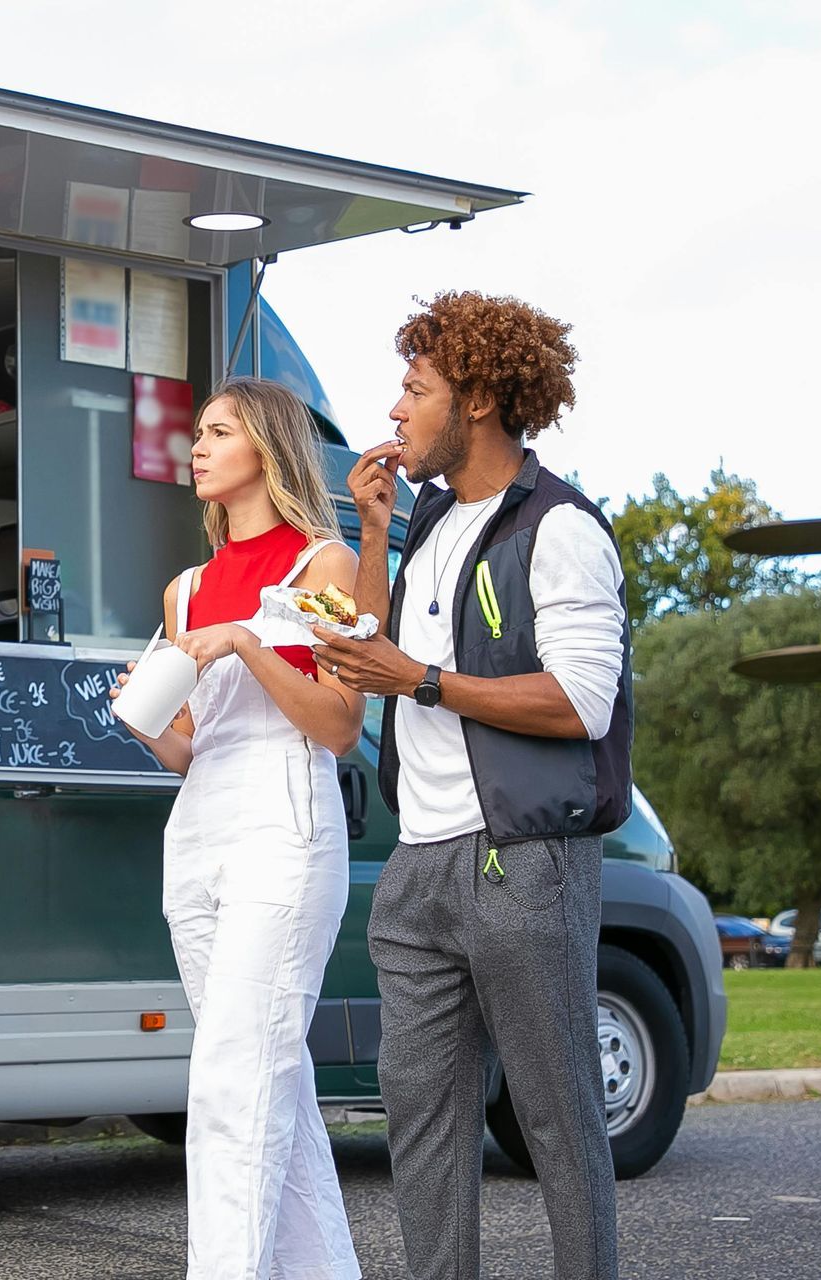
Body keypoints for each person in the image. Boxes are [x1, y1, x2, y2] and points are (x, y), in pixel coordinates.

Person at [313, 291, 629, 1280]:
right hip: (420, 870)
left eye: (416, 389)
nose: (396, 411)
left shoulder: (561, 525)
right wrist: (372, 535)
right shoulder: (434, 520)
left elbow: (582, 699)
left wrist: (425, 681)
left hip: (524, 862)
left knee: (556, 1118)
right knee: (424, 1126)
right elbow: (378, 654)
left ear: (480, 398)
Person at [112, 376, 365, 1280]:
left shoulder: (324, 567)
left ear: (267, 446)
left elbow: (340, 728)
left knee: (230, 1083)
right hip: (200, 832)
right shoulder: (184, 590)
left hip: (285, 828)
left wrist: (253, 643)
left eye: (219, 432)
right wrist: (145, 723)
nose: (199, 448)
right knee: (271, 1084)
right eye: (199, 434)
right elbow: (191, 750)